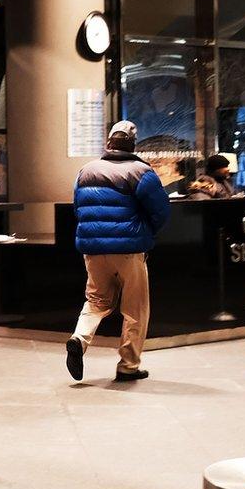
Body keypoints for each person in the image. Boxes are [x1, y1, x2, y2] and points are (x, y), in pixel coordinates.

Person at [66, 120, 170, 382]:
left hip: (92, 249)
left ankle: (79, 338)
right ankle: (128, 366)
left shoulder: (86, 170)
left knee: (97, 300)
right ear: (132, 144)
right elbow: (160, 212)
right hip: (129, 250)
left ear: (109, 142)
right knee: (135, 310)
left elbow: (78, 208)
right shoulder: (140, 171)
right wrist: (145, 232)